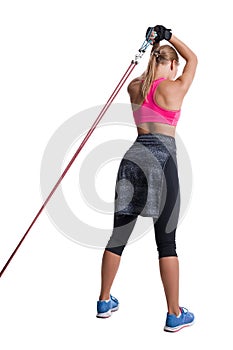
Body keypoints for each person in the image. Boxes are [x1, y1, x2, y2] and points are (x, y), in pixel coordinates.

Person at [96, 25, 198, 332]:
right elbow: (193, 59)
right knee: (166, 242)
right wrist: (169, 36)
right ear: (169, 64)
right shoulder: (174, 88)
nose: (176, 68)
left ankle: (103, 301)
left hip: (133, 157)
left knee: (118, 236)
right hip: (162, 159)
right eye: (173, 65)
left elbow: (150, 73)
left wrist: (155, 48)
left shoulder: (134, 87)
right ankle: (174, 313)